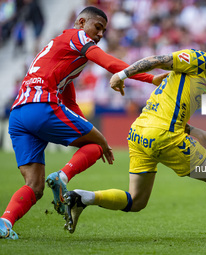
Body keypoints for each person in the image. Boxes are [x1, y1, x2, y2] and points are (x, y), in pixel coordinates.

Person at [63, 35, 206, 240]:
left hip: (139, 133)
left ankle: (82, 197)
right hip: (164, 135)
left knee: (137, 200)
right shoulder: (200, 60)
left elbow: (170, 111)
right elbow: (158, 60)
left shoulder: (203, 81)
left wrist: (195, 131)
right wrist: (122, 75)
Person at [0, 6, 165, 240]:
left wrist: (88, 127)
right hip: (41, 106)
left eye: (103, 31)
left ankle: (5, 222)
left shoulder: (60, 48)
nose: (99, 35)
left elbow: (70, 101)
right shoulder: (78, 37)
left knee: (34, 186)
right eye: (97, 27)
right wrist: (149, 78)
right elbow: (109, 63)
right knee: (98, 146)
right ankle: (62, 177)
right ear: (80, 22)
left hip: (18, 114)